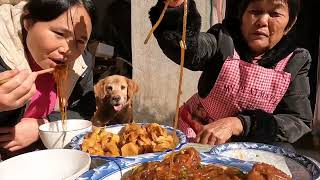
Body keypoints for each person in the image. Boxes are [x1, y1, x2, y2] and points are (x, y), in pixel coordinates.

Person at [149, 0, 313, 148]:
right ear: (242, 16)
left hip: (248, 151)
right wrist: (175, 7)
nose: (262, 21)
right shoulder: (223, 40)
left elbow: (297, 120)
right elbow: (188, 49)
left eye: (275, 14)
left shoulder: (295, 61)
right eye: (255, 11)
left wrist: (240, 123)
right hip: (195, 136)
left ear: (290, 23)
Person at [0, 0, 96, 158]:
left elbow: (84, 110)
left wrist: (43, 126)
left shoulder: (81, 64)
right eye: (59, 34)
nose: (67, 50)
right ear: (28, 22)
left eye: (79, 41)